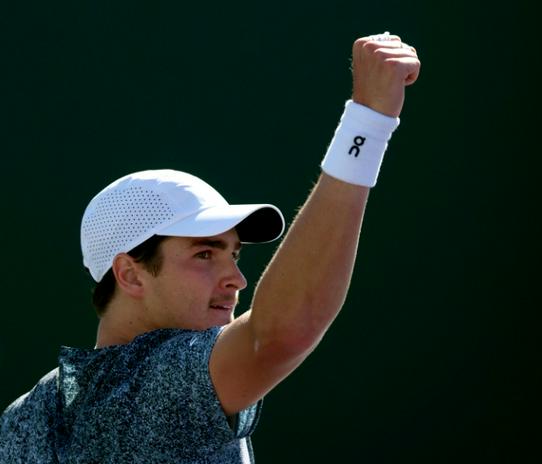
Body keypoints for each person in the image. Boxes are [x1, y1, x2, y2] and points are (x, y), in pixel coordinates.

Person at [0, 32, 421, 463]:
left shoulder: (22, 419)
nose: (237, 280)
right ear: (130, 274)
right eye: (204, 254)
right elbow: (279, 335)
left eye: (233, 254)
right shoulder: (160, 384)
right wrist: (368, 121)